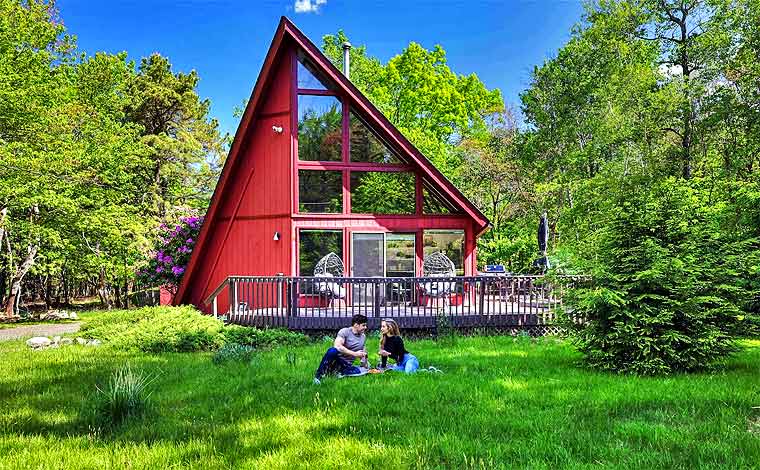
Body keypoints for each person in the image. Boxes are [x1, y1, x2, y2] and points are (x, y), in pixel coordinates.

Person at [313, 314, 368, 384]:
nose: (365, 327)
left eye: (365, 325)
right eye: (363, 325)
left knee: (358, 371)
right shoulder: (345, 331)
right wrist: (354, 354)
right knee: (332, 351)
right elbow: (337, 346)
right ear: (356, 325)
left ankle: (334, 372)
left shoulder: (363, 336)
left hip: (346, 365)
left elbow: (363, 352)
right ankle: (318, 376)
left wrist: (365, 363)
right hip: (336, 360)